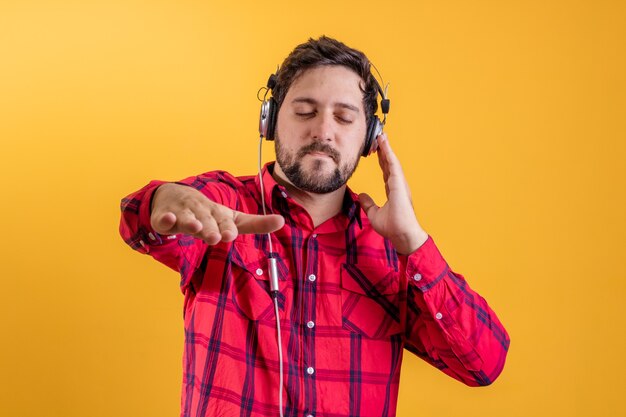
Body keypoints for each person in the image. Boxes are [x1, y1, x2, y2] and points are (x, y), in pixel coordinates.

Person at [119, 36, 510, 417]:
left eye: (343, 117)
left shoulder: (395, 253)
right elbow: (143, 221)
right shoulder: (223, 204)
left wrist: (413, 242)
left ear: (370, 138)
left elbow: (483, 364)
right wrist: (163, 200)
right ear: (270, 121)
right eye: (305, 111)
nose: (323, 131)